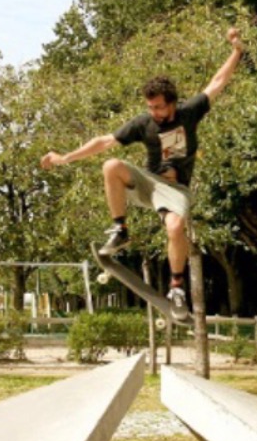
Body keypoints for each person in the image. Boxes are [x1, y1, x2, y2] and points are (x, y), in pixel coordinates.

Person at [40, 27, 244, 322]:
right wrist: (65, 158)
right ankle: (120, 229)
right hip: (148, 183)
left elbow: (217, 82)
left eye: (158, 107)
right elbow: (104, 141)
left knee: (175, 227)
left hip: (176, 190)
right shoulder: (142, 123)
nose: (154, 112)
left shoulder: (189, 112)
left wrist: (236, 51)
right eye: (150, 107)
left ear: (172, 103)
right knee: (111, 165)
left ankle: (177, 288)